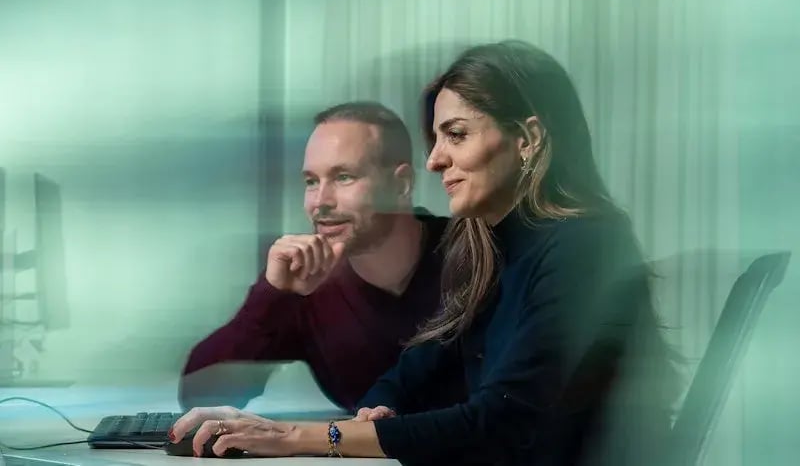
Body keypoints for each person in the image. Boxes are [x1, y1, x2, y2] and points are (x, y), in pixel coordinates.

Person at [170, 41, 680, 465]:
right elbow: (412, 371)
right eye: (310, 181)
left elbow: (504, 419)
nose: (435, 160)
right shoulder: (490, 244)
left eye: (456, 135)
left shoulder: (585, 246)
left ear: (527, 139)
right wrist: (376, 407)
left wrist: (300, 437)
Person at [179, 101, 449, 413]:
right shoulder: (308, 282)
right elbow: (200, 398)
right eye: (311, 181)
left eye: (343, 177)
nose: (320, 202)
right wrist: (273, 296)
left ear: (401, 184)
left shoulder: (475, 253)